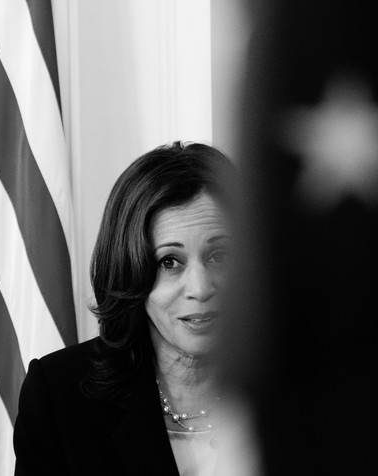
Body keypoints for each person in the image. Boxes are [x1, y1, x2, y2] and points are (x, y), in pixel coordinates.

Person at [13, 141, 236, 475]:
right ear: (129, 271)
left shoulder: (313, 387)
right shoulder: (60, 396)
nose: (201, 288)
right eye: (169, 262)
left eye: (219, 256)